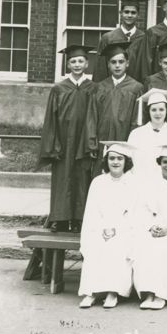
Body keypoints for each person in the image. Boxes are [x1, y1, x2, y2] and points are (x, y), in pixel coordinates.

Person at [40, 44, 99, 232]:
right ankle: (61, 218)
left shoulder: (93, 88)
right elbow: (51, 118)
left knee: (82, 177)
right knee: (62, 178)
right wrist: (53, 144)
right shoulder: (59, 88)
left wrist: (92, 141)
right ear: (67, 64)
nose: (77, 64)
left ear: (87, 63)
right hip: (64, 142)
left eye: (81, 61)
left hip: (84, 139)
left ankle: (80, 219)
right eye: (73, 61)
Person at [78, 141, 136, 309]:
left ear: (126, 162)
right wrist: (102, 228)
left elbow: (134, 213)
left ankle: (113, 292)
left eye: (119, 158)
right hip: (100, 227)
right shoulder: (98, 182)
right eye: (112, 158)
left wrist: (116, 229)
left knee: (118, 245)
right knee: (95, 244)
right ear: (106, 161)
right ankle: (91, 293)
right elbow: (91, 212)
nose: (115, 162)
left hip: (124, 229)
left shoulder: (133, 184)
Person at [131, 143, 167, 310]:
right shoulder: (150, 184)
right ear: (160, 163)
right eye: (165, 162)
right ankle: (148, 293)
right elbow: (142, 209)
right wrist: (151, 227)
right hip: (154, 229)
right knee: (147, 247)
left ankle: (163, 294)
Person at [91, 41, 144, 175]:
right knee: (101, 176)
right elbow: (92, 117)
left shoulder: (136, 88)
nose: (117, 65)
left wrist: (133, 142)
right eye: (113, 62)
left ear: (127, 63)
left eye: (121, 62)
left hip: (124, 139)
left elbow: (137, 120)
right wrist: (92, 142)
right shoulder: (100, 87)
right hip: (103, 140)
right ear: (108, 65)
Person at [127, 89, 167, 181]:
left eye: (161, 109)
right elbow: (130, 162)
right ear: (148, 111)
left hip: (166, 184)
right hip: (141, 182)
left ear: (166, 111)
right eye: (153, 110)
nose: (158, 113)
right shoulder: (136, 134)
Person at [94, 0, 150, 85]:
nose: (129, 15)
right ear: (121, 13)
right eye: (126, 12)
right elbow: (100, 69)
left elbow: (145, 68)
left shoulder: (144, 38)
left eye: (133, 12)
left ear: (138, 15)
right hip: (111, 89)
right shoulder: (108, 38)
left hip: (135, 89)